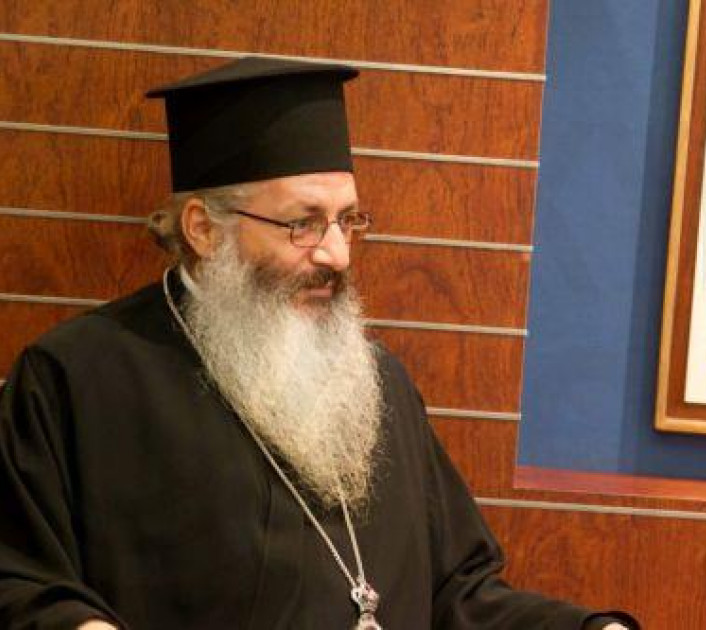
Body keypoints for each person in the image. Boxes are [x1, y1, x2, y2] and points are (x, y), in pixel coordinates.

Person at [0, 58, 639, 629]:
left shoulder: (379, 382)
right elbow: (19, 583)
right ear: (204, 230)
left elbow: (459, 593)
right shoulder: (75, 379)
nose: (337, 254)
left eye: (347, 221)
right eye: (303, 225)